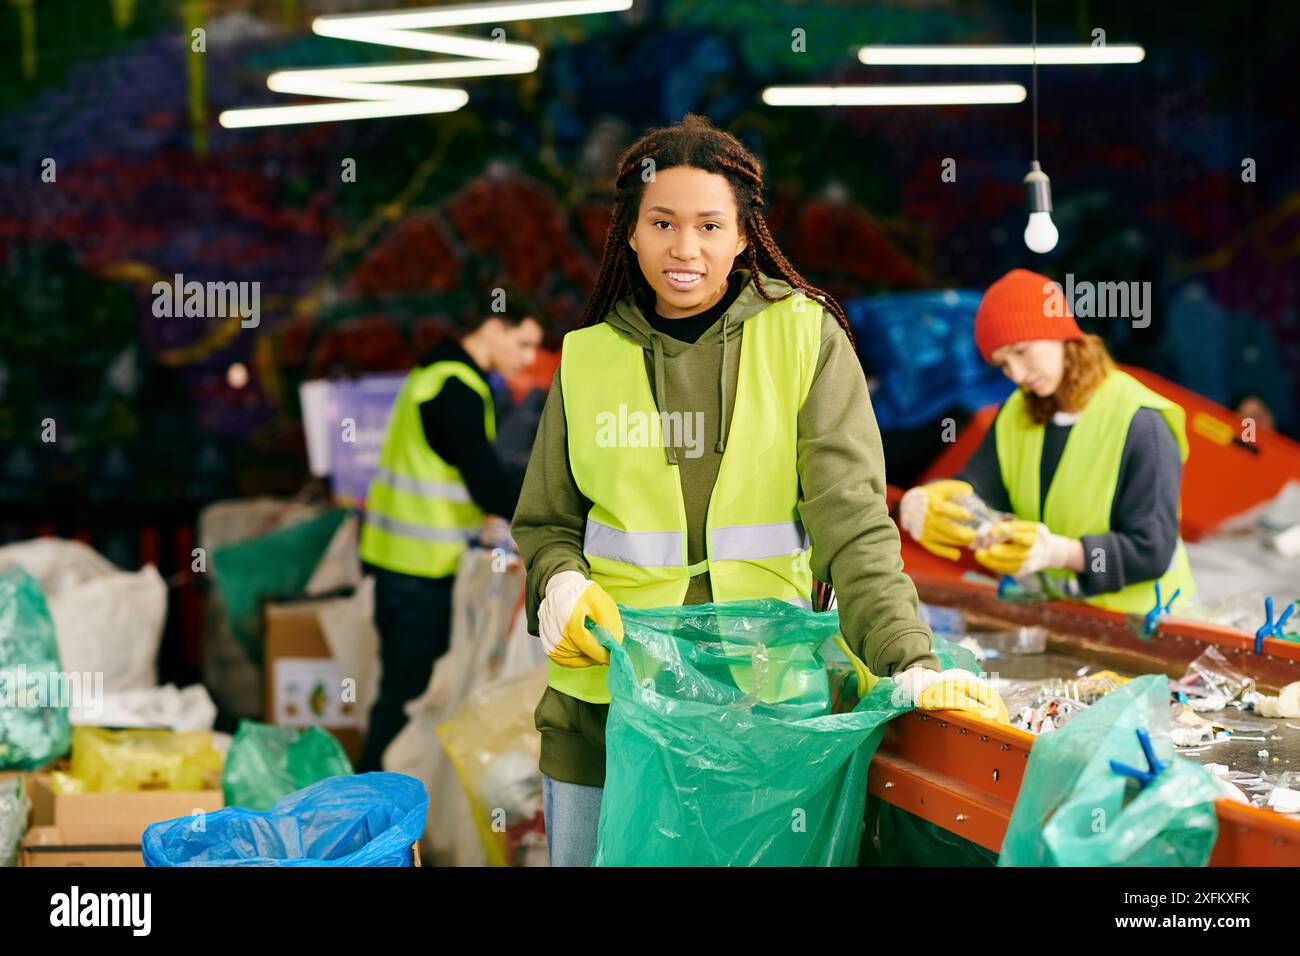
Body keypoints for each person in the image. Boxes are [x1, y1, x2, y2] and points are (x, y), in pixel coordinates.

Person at [510, 114, 1003, 867]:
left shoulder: (804, 339)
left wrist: (911, 659)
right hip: (604, 715)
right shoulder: (586, 360)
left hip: (761, 720)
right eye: (663, 222)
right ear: (630, 233)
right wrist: (561, 582)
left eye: (710, 224)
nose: (685, 248)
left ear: (743, 234)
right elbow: (546, 523)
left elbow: (853, 524)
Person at [900, 268, 1196, 611]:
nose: (1018, 375)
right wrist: (931, 500)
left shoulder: (1141, 422)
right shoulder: (1016, 414)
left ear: (1057, 332)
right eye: (1004, 364)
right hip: (1059, 620)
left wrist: (1061, 552)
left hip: (1151, 628)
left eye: (1022, 351)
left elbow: (1152, 552)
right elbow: (978, 489)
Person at [356, 286, 543, 772]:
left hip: (401, 564)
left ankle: (377, 812)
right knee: (409, 692)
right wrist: (545, 516)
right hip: (419, 571)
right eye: (523, 344)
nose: (527, 359)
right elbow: (486, 482)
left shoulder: (432, 373)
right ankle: (372, 818)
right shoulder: (456, 386)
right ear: (492, 327)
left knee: (403, 688)